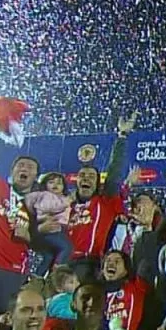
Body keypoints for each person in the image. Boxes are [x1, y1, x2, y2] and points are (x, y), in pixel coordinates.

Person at [66, 113, 137, 279]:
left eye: (91, 176)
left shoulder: (104, 202)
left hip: (89, 264)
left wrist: (122, 136)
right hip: (62, 263)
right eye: (82, 175)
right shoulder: (65, 205)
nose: (86, 178)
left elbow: (115, 170)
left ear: (98, 184)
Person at [24, 172, 75, 276]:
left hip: (57, 230)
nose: (55, 185)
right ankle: (57, 272)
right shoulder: (46, 196)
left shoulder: (61, 198)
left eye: (59, 183)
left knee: (48, 256)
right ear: (45, 185)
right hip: (49, 231)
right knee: (66, 247)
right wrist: (66, 202)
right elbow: (49, 207)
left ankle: (37, 277)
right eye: (51, 182)